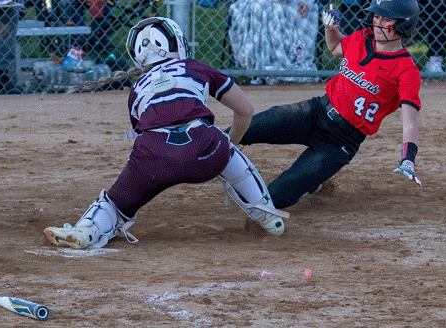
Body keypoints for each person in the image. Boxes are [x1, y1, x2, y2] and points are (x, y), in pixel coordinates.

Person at [43, 17, 289, 250]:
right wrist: (229, 145)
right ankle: (267, 216)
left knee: (116, 203)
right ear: (177, 43)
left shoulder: (137, 88)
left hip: (153, 154)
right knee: (223, 145)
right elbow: (245, 110)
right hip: (204, 151)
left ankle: (87, 230)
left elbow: (145, 133)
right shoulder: (195, 67)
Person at [239, 0, 423, 211]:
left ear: (403, 24)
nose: (377, 22)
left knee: (281, 190)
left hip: (341, 141)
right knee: (258, 124)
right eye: (376, 15)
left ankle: (298, 189)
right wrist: (331, 28)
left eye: (386, 19)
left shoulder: (406, 69)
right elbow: (336, 47)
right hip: (316, 112)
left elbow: (410, 120)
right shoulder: (362, 39)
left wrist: (408, 158)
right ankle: (208, 146)